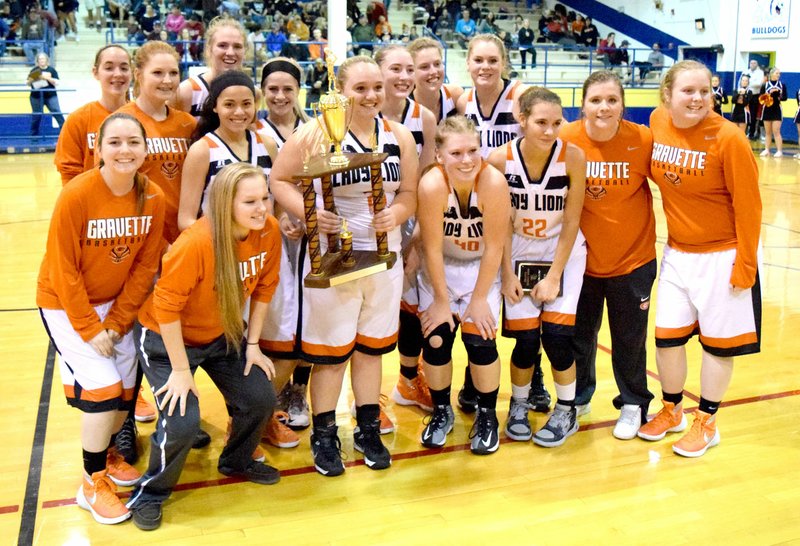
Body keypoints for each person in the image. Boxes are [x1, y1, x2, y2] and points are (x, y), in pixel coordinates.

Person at [270, 55, 418, 476]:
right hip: (333, 258)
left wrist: (400, 212)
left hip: (383, 258)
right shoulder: (315, 133)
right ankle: (325, 434)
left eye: (377, 87)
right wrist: (310, 212)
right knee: (332, 356)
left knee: (372, 350)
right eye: (361, 89)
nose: (372, 96)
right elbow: (278, 180)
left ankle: (367, 429)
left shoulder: (399, 135)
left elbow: (408, 191)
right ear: (341, 91)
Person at [128, 163, 281, 530]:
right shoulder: (196, 242)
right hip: (166, 340)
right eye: (250, 201)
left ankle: (236, 461)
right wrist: (181, 371)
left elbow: (264, 288)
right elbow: (165, 308)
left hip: (222, 334)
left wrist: (254, 345)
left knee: (260, 398)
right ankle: (151, 493)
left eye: (265, 198)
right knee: (183, 422)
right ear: (227, 203)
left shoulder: (268, 231)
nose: (262, 208)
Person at [37, 112, 166, 525]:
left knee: (127, 387)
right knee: (105, 386)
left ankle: (107, 456)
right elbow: (62, 268)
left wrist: (118, 321)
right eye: (115, 142)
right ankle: (90, 482)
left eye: (133, 142)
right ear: (99, 149)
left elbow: (145, 268)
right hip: (64, 302)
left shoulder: (154, 198)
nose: (124, 150)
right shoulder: (77, 195)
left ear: (146, 149)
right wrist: (92, 329)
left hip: (116, 306)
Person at [639, 60, 761, 458]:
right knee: (667, 338)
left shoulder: (728, 138)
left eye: (705, 91)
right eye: (688, 91)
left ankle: (707, 421)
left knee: (717, 346)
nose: (697, 98)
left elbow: (749, 207)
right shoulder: (658, 122)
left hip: (722, 255)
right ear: (667, 95)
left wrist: (745, 266)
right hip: (677, 251)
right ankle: (672, 409)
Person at [458, 34, 552, 413]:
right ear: (467, 63)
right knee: (483, 306)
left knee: (526, 310)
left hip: (525, 218)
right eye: (478, 60)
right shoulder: (462, 102)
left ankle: (536, 378)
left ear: (505, 62)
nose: (485, 67)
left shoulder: (522, 96)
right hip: (478, 217)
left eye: (493, 60)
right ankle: (472, 378)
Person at [559, 70, 656, 438]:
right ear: (582, 104)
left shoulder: (642, 139)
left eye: (611, 100)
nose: (603, 107)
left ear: (622, 106)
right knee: (580, 336)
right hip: (580, 262)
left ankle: (633, 403)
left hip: (632, 259)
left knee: (629, 338)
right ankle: (579, 397)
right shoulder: (566, 139)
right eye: (596, 100)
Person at [487, 87, 586, 447]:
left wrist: (555, 275)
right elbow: (498, 223)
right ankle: (519, 404)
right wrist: (508, 273)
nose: (549, 131)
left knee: (558, 340)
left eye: (556, 123)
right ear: (522, 118)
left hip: (564, 253)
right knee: (526, 341)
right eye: (541, 122)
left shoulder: (573, 157)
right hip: (518, 253)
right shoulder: (499, 160)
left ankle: (567, 409)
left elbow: (573, 221)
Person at [416, 115, 510, 454]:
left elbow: (496, 247)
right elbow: (431, 248)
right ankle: (442, 411)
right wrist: (441, 300)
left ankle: (487, 415)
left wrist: (481, 298)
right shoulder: (431, 185)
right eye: (456, 153)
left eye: (473, 150)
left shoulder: (494, 183)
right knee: (437, 338)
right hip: (440, 269)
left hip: (479, 271)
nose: (467, 159)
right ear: (440, 155)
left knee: (480, 339)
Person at [375, 45, 437, 417]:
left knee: (411, 309)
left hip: (408, 218)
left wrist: (417, 238)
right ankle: (364, 400)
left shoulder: (424, 117)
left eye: (408, 69)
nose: (403, 76)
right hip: (365, 223)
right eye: (395, 68)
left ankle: (407, 380)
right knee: (366, 313)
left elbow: (427, 183)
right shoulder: (356, 112)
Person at [256, 57, 312, 432]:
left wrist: (305, 218)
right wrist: (282, 217)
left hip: (311, 233)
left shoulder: (318, 128)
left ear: (298, 92)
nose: (280, 95)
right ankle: (270, 390)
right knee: (276, 319)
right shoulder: (253, 129)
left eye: (287, 89)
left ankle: (299, 391)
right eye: (272, 89)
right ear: (262, 91)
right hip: (267, 236)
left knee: (313, 314)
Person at [118, 40, 196, 245]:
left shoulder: (187, 124)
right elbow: (112, 188)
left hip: (185, 234)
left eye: (173, 73)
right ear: (138, 75)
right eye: (158, 73)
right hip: (142, 238)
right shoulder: (120, 123)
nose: (167, 80)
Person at [54, 45, 131, 185]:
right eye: (109, 68)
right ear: (95, 72)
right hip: (92, 205)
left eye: (124, 68)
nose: (118, 73)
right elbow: (69, 175)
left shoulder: (143, 116)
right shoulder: (77, 120)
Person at [172, 17, 248, 118]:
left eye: (237, 46)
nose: (230, 53)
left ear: (245, 51)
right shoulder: (186, 92)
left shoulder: (252, 93)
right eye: (222, 45)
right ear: (209, 49)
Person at [408, 37, 463, 123]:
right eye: (424, 67)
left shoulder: (455, 96)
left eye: (437, 64)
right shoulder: (404, 106)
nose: (433, 71)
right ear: (411, 71)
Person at [27, 52, 65, 136]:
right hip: (36, 96)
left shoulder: (51, 70)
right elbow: (29, 83)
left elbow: (57, 82)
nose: (41, 60)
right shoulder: (34, 70)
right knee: (37, 116)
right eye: (40, 59)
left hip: (50, 96)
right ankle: (33, 135)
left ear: (46, 60)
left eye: (43, 58)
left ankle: (65, 132)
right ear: (37, 61)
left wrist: (47, 78)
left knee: (57, 112)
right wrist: (34, 78)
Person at [759, 67, 787, 157]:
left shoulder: (782, 85)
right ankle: (766, 149)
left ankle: (779, 151)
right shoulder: (765, 85)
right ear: (771, 74)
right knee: (768, 132)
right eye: (776, 73)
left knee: (776, 131)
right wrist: (769, 95)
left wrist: (778, 95)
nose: (778, 75)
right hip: (767, 109)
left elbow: (785, 98)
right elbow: (761, 98)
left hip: (777, 110)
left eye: (779, 73)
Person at [745, 59, 765, 140]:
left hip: (755, 95)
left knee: (753, 115)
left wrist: (748, 83)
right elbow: (741, 82)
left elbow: (759, 84)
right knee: (745, 113)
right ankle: (744, 131)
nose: (752, 64)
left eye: (754, 63)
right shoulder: (746, 71)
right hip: (746, 95)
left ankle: (751, 133)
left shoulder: (760, 72)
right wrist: (750, 83)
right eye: (751, 63)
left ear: (757, 64)